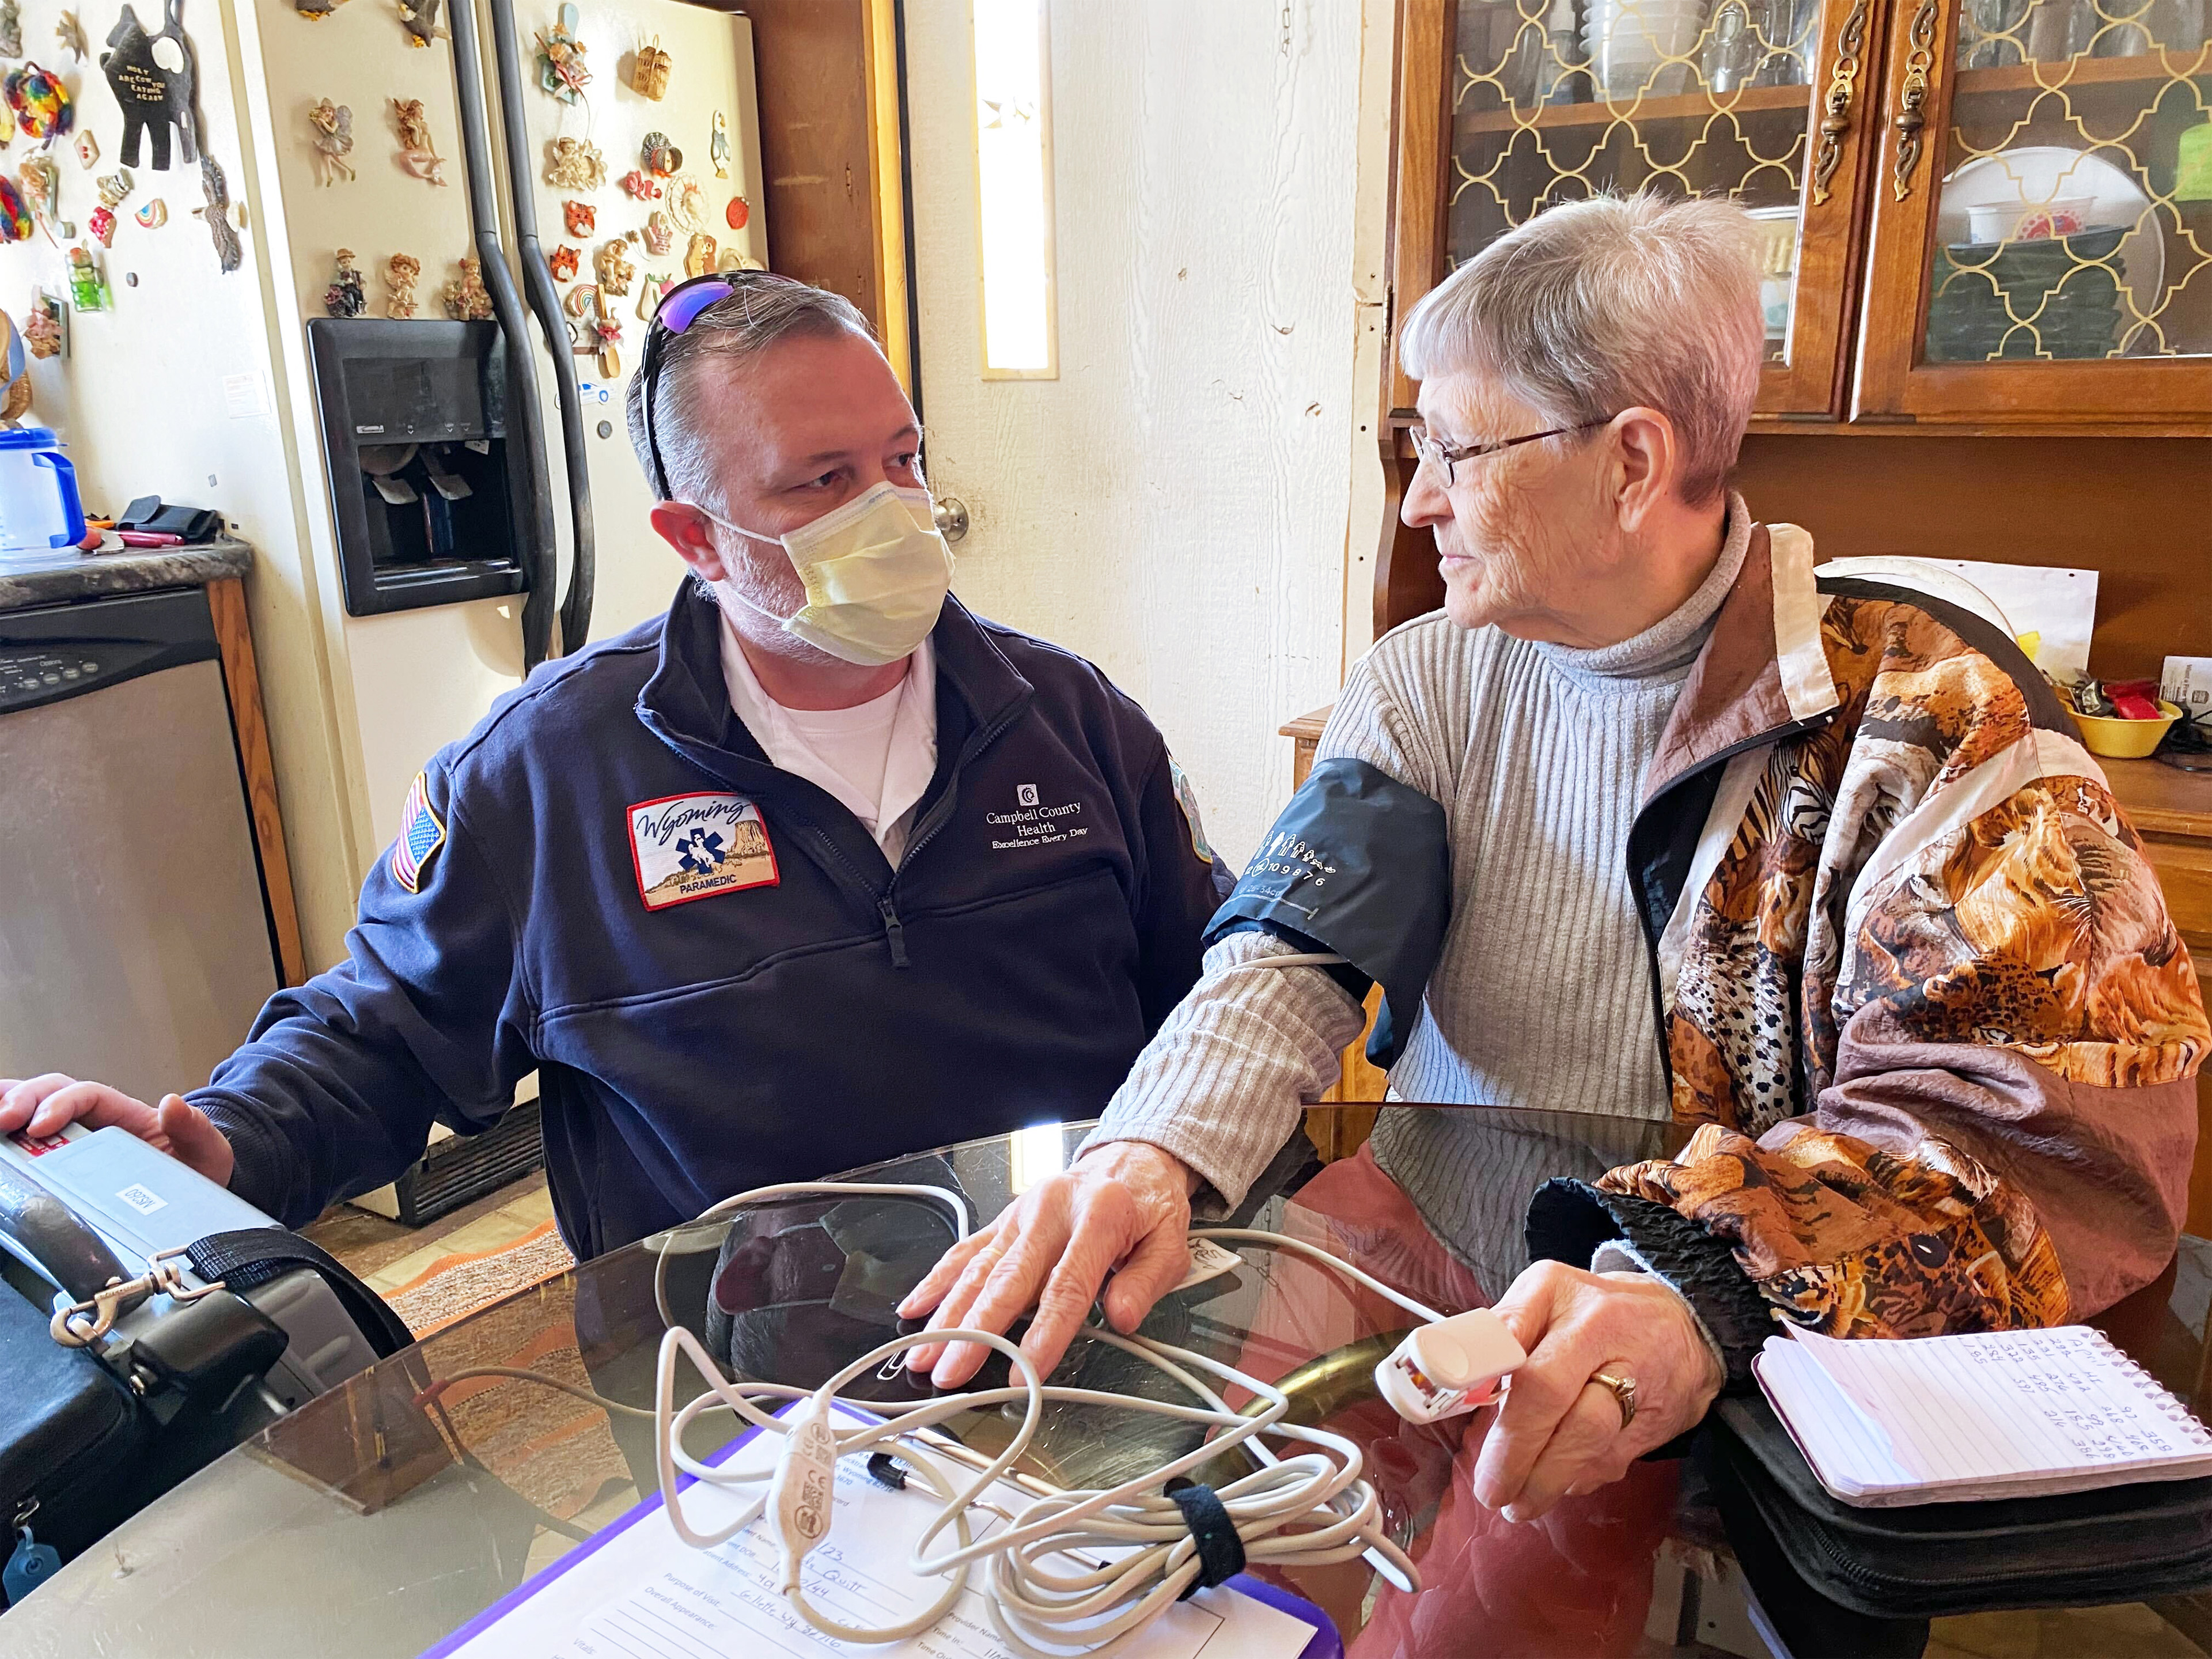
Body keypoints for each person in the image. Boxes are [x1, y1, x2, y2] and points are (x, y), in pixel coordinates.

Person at [899, 194, 2209, 1527]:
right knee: (1174, 1523)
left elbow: (2046, 1134)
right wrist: (1152, 1149)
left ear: (1632, 463)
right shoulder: (1429, 677)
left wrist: (1693, 1281)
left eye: (1452, 449)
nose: (1416, 503)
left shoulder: (1933, 728)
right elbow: (1293, 953)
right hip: (1416, 1241)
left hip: (1714, 1338)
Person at [0, 273, 1233, 1260]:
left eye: (902, 458)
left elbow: (1215, 1002)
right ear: (695, 537)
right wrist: (215, 1143)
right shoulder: (544, 773)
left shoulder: (1067, 717)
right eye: (825, 481)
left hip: (1074, 1332)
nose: (897, 509)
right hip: (725, 1399)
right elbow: (385, 1031)